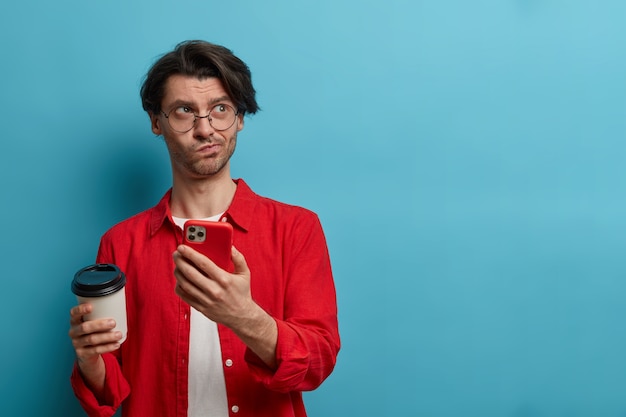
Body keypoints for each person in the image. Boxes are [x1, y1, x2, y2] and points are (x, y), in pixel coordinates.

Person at [68, 40, 340, 417]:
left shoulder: (296, 229)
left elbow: (318, 361)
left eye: (220, 109)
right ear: (156, 122)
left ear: (240, 117)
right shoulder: (120, 244)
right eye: (184, 111)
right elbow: (110, 391)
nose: (205, 128)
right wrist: (91, 362)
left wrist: (245, 318)